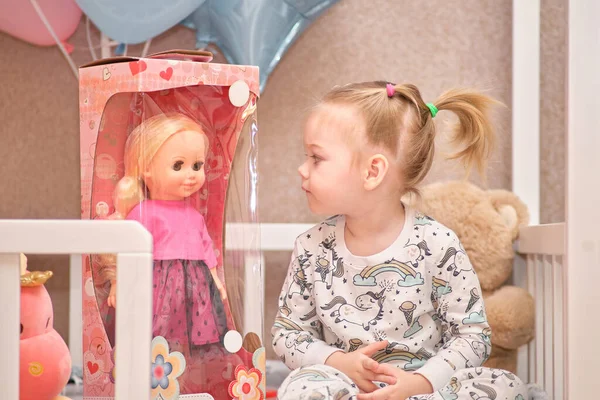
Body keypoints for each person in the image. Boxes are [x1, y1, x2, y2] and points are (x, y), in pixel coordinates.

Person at [272, 81, 526, 400]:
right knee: (299, 387)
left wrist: (421, 381)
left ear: (372, 172)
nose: (302, 169)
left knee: (504, 386)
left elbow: (473, 337)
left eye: (316, 158)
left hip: (424, 386)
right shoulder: (311, 248)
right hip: (346, 386)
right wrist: (340, 363)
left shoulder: (437, 244)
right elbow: (287, 334)